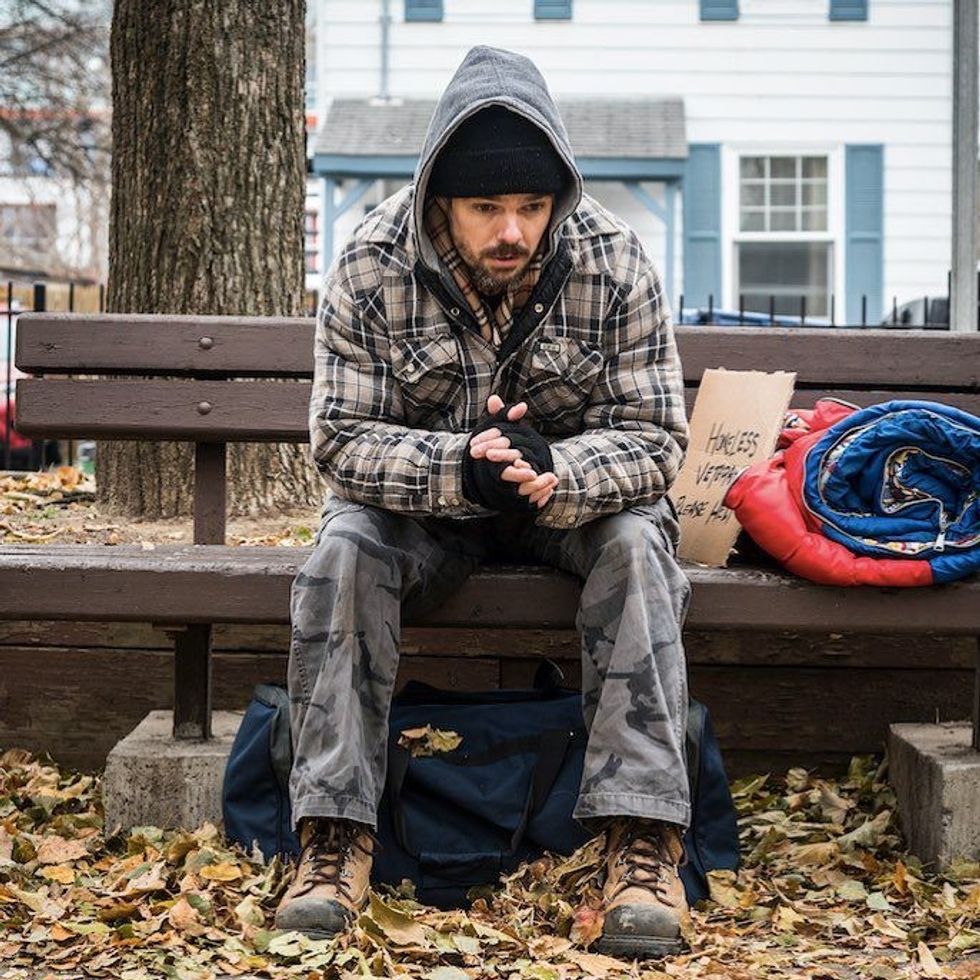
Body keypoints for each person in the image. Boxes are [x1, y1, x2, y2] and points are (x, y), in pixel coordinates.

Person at [276, 45, 692, 960]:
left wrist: (565, 470)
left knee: (639, 546)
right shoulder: (372, 264)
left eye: (532, 208)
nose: (513, 231)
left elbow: (658, 438)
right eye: (486, 208)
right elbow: (341, 440)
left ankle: (642, 839)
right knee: (343, 547)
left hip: (572, 517)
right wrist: (454, 467)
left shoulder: (615, 262)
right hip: (431, 521)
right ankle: (333, 837)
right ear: (440, 199)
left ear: (559, 199)